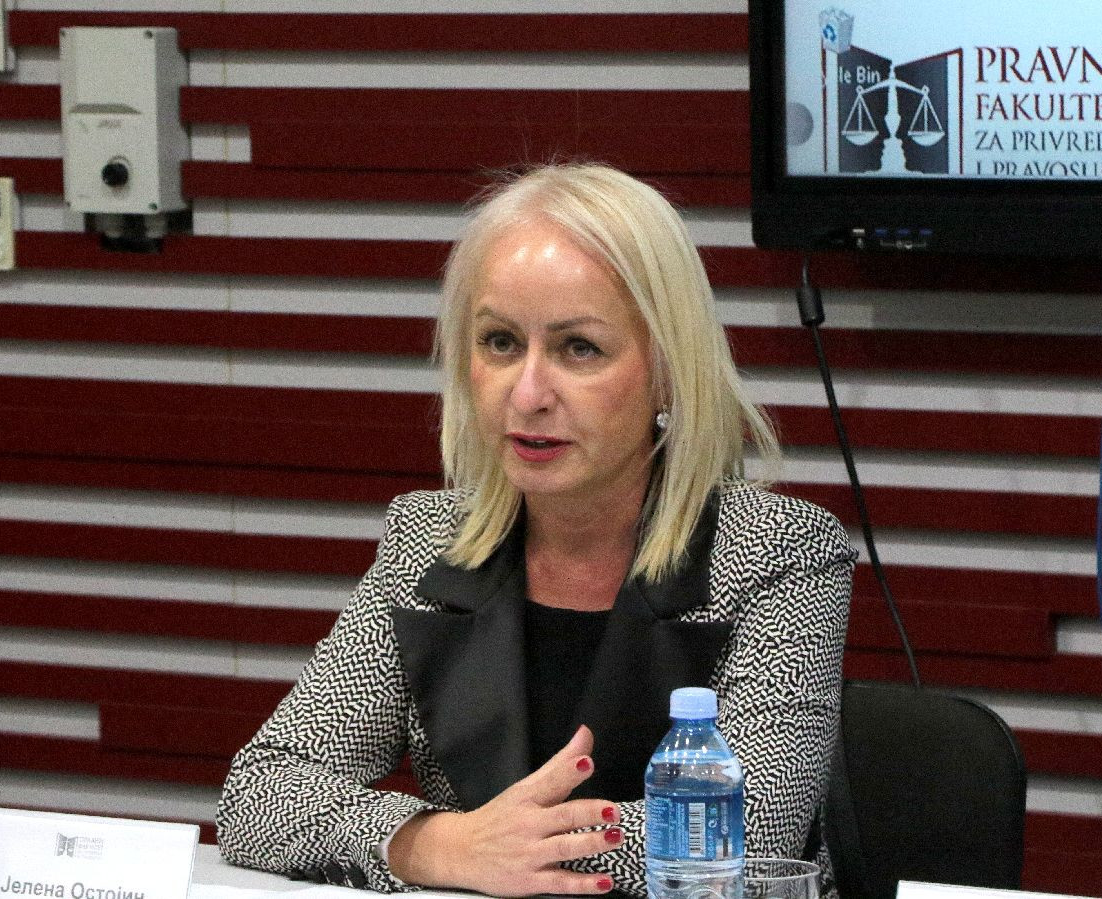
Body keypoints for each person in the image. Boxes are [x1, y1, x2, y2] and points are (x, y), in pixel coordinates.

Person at [216, 163, 854, 898]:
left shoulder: (778, 551)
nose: (527, 393)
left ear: (668, 370)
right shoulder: (427, 541)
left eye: (579, 348)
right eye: (499, 342)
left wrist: (504, 848)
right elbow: (260, 793)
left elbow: (750, 831)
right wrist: (437, 843)